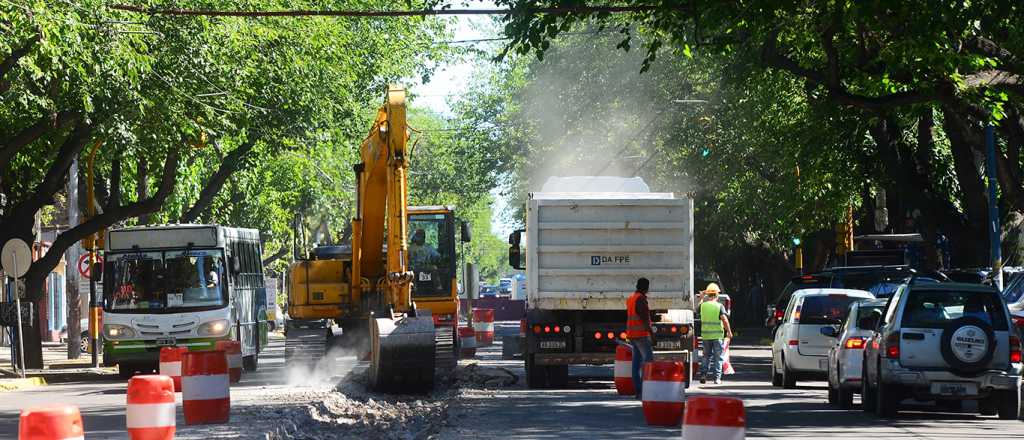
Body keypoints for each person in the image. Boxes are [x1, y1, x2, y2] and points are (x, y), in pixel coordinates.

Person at [626, 277, 656, 399]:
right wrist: (652, 335)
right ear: (646, 288)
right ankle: (646, 390)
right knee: (648, 362)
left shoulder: (631, 298)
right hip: (641, 336)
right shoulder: (641, 299)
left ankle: (638, 391)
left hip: (632, 335)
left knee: (636, 363)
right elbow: (645, 319)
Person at [699, 283, 733, 384]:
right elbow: (725, 320)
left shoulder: (703, 306)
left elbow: (697, 309)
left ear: (707, 295)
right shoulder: (719, 306)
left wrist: (701, 298)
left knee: (706, 356)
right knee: (718, 358)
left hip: (705, 336)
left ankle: (703, 375)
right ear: (717, 295)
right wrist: (729, 332)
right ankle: (717, 378)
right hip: (717, 336)